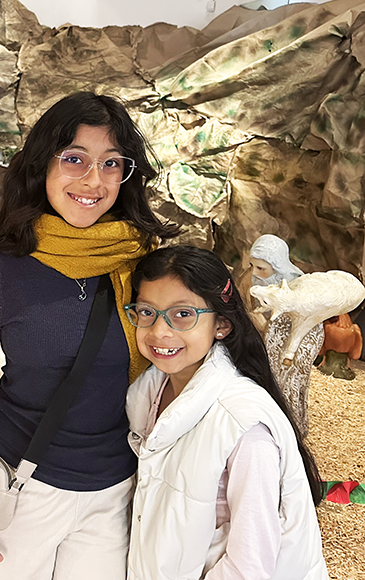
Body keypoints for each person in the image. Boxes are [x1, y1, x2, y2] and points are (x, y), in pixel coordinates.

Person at [0, 91, 177, 579]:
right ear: (41, 164)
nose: (94, 180)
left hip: (115, 493)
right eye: (74, 159)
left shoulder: (143, 265)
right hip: (19, 488)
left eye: (112, 163)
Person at [124, 245, 327, 579]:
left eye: (183, 314)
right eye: (147, 311)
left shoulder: (244, 426)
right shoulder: (146, 393)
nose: (159, 331)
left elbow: (250, 566)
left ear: (221, 324)